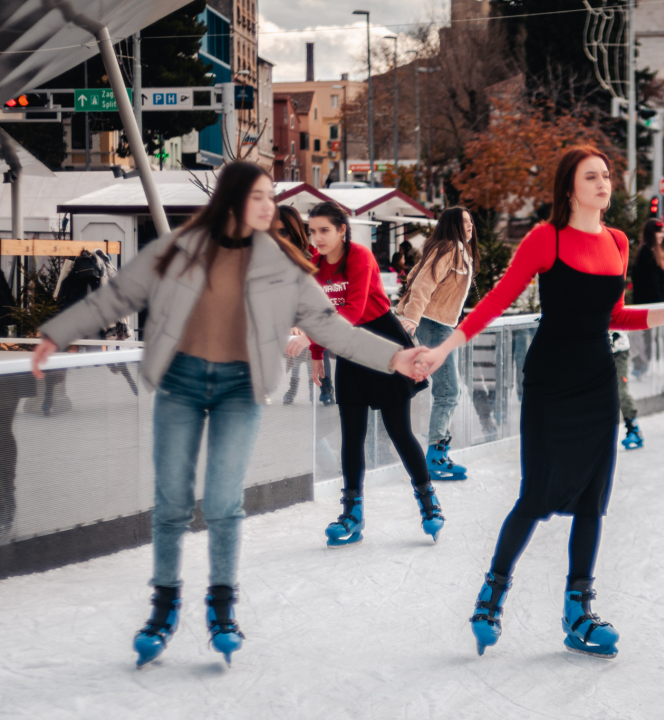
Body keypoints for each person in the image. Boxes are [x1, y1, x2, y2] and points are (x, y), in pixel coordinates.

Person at [31, 162, 425, 668]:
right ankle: (164, 606)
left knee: (221, 501)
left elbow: (334, 329)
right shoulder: (183, 247)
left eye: (270, 198)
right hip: (180, 385)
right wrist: (56, 332)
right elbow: (121, 293)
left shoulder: (283, 265)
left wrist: (394, 357)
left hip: (240, 389)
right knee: (171, 502)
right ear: (233, 200)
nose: (269, 207)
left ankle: (221, 608)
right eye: (259, 197)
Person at [413, 146, 664, 659]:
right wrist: (442, 349)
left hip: (597, 382)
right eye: (591, 177)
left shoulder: (617, 242)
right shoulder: (545, 238)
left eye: (607, 176)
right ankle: (492, 595)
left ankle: (579, 612)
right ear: (569, 188)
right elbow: (495, 302)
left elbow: (614, 315)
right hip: (551, 381)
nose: (604, 183)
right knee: (536, 494)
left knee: (593, 501)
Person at [287, 202, 440, 546]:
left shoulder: (360, 257)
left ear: (342, 230)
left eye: (325, 230)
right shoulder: (313, 267)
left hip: (383, 344)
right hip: (349, 350)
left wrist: (313, 338)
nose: (317, 238)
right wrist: (317, 356)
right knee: (351, 434)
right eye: (312, 231)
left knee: (398, 430)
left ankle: (429, 503)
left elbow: (354, 310)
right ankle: (352, 514)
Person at [396, 207, 477, 480]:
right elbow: (422, 284)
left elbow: (417, 277)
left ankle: (438, 452)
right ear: (452, 224)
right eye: (464, 221)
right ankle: (435, 455)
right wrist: (412, 319)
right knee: (447, 390)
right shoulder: (448, 248)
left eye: (471, 221)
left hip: (441, 323)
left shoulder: (459, 250)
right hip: (432, 322)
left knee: (448, 390)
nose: (470, 225)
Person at [273, 205, 313, 406]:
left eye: (284, 232)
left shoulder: (306, 261)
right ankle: (294, 387)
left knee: (304, 357)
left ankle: (317, 388)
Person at [629, 218, 664, 384]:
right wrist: (662, 300)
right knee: (645, 336)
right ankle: (640, 365)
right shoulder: (647, 252)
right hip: (648, 303)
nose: (663, 235)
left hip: (654, 303)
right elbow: (652, 282)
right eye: (660, 232)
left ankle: (643, 365)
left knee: (650, 336)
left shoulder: (657, 251)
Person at [611, 330, 643, 449]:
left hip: (618, 351)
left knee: (620, 391)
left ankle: (634, 429)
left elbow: (625, 318)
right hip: (597, 350)